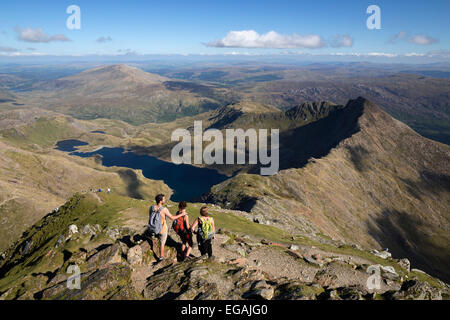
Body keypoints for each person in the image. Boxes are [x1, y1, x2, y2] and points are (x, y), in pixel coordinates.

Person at [148, 194, 186, 263]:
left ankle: (153, 235)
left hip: (153, 228)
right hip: (162, 229)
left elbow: (150, 216)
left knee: (156, 237)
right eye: (164, 199)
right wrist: (181, 214)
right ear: (160, 201)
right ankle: (161, 257)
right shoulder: (164, 209)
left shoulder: (151, 207)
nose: (165, 200)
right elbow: (172, 218)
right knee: (162, 243)